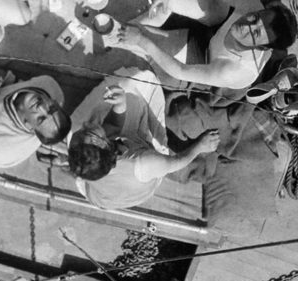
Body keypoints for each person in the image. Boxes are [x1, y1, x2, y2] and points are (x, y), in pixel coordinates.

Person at [67, 68, 219, 209]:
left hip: (98, 193)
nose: (86, 125)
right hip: (133, 189)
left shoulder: (92, 156)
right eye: (88, 131)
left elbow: (112, 126)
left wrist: (120, 104)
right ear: (104, 143)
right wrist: (200, 146)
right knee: (135, 81)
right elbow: (177, 162)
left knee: (80, 123)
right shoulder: (146, 164)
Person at [114, 0, 298, 90]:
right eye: (256, 17)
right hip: (218, 26)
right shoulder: (252, 5)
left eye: (256, 32)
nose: (247, 24)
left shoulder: (234, 71)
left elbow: (180, 71)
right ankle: (131, 28)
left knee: (143, 38)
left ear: (262, 47)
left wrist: (142, 40)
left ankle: (115, 32)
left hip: (204, 57)